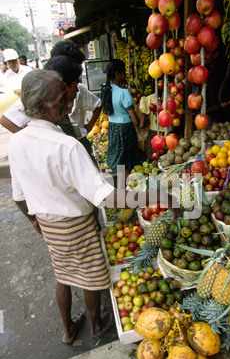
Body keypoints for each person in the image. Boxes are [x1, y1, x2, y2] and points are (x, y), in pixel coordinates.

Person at [8, 69, 179, 344]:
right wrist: (157, 196)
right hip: (76, 225)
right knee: (92, 277)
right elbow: (108, 198)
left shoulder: (17, 142)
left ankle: (68, 329)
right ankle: (97, 324)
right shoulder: (67, 146)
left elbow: (18, 196)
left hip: (49, 225)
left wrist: (34, 222)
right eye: (62, 99)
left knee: (62, 274)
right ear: (41, 106)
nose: (70, 104)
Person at [101, 59, 140, 189]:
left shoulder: (106, 90)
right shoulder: (123, 93)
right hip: (125, 130)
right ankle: (125, 193)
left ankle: (121, 189)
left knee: (120, 164)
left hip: (113, 129)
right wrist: (143, 119)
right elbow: (135, 121)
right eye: (123, 73)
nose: (125, 75)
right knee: (127, 164)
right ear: (118, 74)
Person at [139, 92, 173, 162]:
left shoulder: (149, 99)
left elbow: (141, 125)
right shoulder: (172, 98)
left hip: (155, 136)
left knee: (154, 164)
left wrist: (151, 121)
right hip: (170, 136)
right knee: (169, 163)